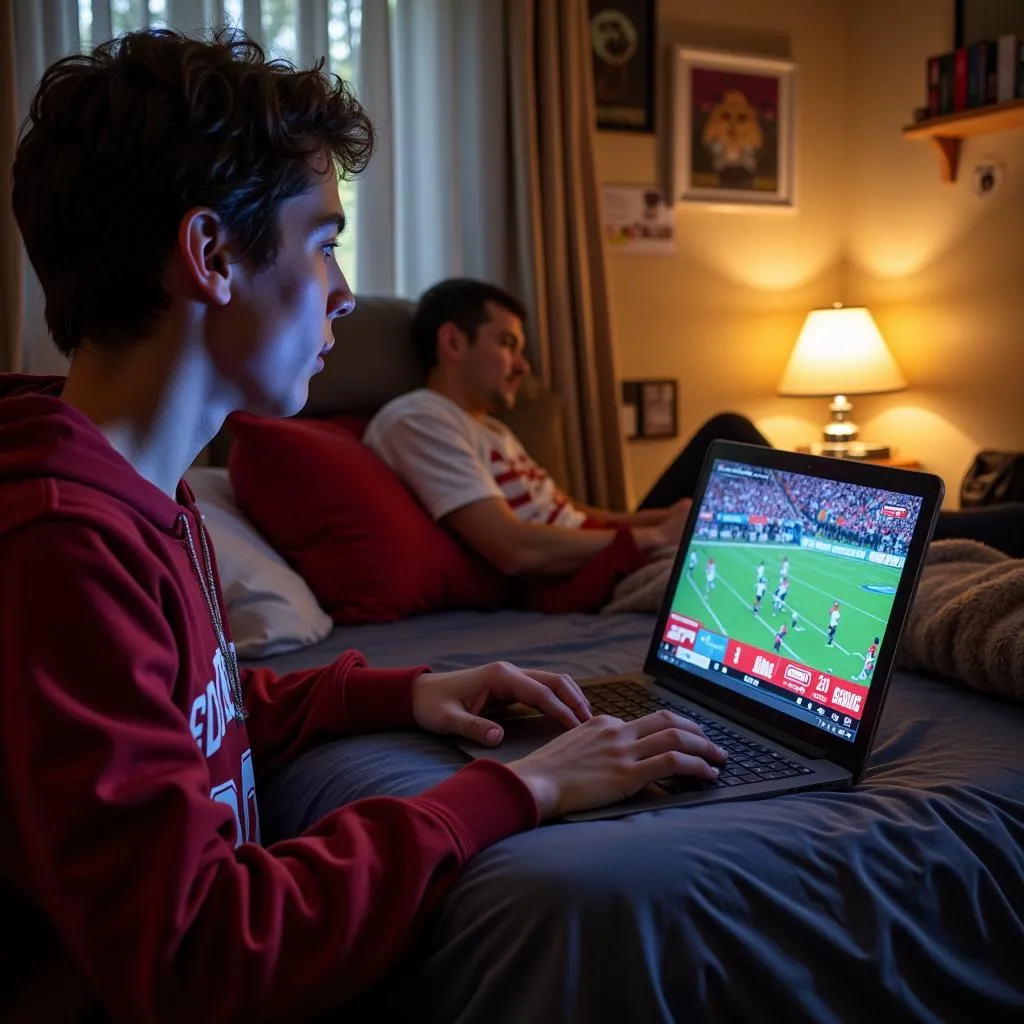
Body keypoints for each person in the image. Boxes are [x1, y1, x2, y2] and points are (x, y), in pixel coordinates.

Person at [0, 30, 727, 1020]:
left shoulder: (142, 492)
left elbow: (188, 717)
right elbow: (197, 952)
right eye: (326, 242)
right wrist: (521, 790)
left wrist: (406, 692)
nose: (344, 297)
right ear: (211, 253)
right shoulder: (60, 548)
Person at [363, 278, 769, 610]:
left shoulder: (492, 430)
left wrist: (660, 518)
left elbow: (572, 513)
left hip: (601, 550)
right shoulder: (418, 418)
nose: (523, 366)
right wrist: (656, 537)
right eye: (507, 344)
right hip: (579, 577)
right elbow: (513, 548)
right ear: (452, 342)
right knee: (738, 560)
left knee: (724, 435)